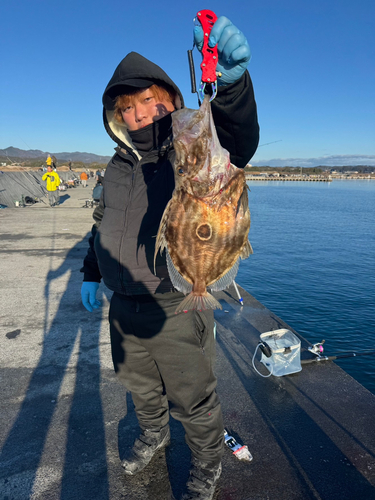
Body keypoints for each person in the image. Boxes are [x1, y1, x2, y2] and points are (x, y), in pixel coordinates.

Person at [80, 15, 259, 500]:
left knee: (193, 396)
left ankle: (207, 462)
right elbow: (102, 222)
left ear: (172, 104)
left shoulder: (186, 156)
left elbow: (236, 142)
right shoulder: (114, 169)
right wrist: (91, 272)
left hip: (176, 302)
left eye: (151, 103)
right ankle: (153, 433)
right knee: (140, 386)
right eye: (130, 108)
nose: (141, 115)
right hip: (124, 304)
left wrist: (234, 87)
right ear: (117, 117)